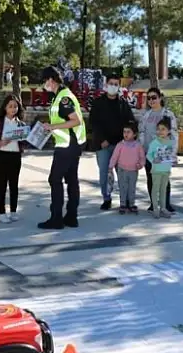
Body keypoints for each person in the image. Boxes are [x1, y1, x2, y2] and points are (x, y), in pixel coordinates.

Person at [38, 66, 86, 230]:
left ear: (51, 80)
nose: (44, 85)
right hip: (72, 144)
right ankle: (71, 217)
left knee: (55, 179)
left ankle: (56, 218)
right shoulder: (61, 96)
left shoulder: (64, 98)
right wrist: (50, 127)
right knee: (72, 180)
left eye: (45, 81)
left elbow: (75, 120)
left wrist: (52, 126)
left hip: (67, 145)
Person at [89, 73, 136, 210]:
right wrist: (102, 139)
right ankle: (107, 198)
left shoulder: (123, 104)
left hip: (120, 145)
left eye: (116, 84)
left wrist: (128, 138)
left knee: (122, 173)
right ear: (106, 85)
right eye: (111, 84)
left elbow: (130, 122)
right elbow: (93, 123)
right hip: (103, 145)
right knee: (104, 173)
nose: (113, 87)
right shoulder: (98, 103)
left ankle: (125, 199)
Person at [0, 94, 26, 223]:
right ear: (5, 108)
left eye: (15, 106)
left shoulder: (20, 123)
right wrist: (0, 143)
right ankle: (2, 212)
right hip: (3, 155)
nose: (13, 109)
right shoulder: (0, 122)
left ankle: (14, 211)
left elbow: (26, 141)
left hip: (16, 156)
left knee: (14, 185)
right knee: (3, 184)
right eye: (10, 106)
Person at [139, 87, 177, 213]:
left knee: (164, 178)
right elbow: (141, 132)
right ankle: (153, 203)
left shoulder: (167, 115)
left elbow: (173, 134)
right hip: (149, 152)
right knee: (151, 178)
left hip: (163, 152)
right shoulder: (145, 115)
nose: (151, 100)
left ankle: (166, 204)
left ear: (160, 98)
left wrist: (173, 152)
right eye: (149, 98)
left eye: (154, 97)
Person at [108, 121, 145, 214]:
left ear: (134, 134)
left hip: (133, 170)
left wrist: (140, 164)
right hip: (122, 170)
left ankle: (131, 204)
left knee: (132, 188)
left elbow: (142, 157)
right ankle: (123, 204)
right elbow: (115, 156)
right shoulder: (120, 144)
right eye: (124, 132)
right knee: (123, 187)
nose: (126, 134)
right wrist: (111, 166)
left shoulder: (138, 145)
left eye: (128, 132)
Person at [146, 117, 175, 219]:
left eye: (163, 129)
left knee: (163, 190)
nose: (160, 131)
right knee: (155, 189)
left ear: (168, 131)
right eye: (159, 129)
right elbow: (149, 155)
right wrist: (154, 160)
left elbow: (170, 155)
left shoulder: (170, 143)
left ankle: (163, 208)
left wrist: (173, 160)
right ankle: (155, 208)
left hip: (166, 171)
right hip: (156, 171)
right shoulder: (154, 143)